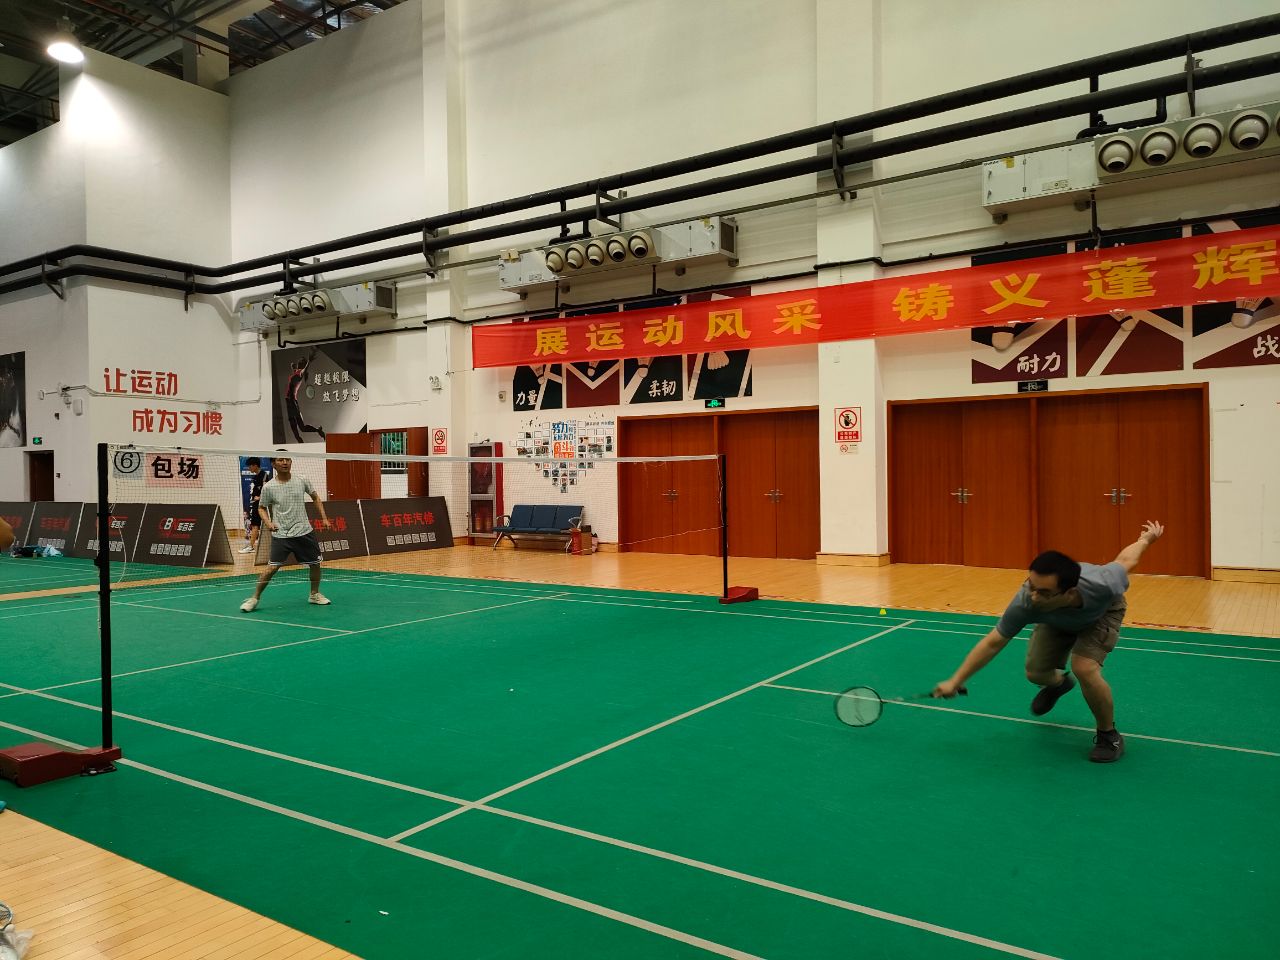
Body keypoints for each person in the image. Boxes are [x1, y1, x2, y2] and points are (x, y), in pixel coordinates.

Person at [932, 521, 1165, 763]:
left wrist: (1146, 539)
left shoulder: (1104, 583)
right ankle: (1058, 685)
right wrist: (955, 681)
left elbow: (1127, 560)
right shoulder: (1028, 601)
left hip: (1101, 614)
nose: (1033, 596)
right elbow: (993, 642)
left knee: (1084, 667)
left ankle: (1109, 735)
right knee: (1035, 673)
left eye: (1043, 592)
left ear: (1070, 592)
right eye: (1031, 586)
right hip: (1054, 617)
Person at [240, 454, 331, 612]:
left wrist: (324, 518)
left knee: (315, 564)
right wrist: (268, 523)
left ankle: (314, 594)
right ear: (273, 464)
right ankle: (254, 598)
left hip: (304, 531)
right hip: (281, 534)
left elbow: (315, 497)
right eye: (280, 460)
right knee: (271, 568)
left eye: (287, 459)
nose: (285, 462)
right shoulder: (269, 487)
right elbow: (261, 507)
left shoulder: (301, 480)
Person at [285, 350, 326, 444]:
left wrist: (309, 361)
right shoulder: (296, 372)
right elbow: (294, 375)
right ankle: (300, 440)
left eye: (301, 361)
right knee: (293, 424)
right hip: (289, 401)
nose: (299, 361)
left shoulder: (301, 373)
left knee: (301, 427)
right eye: (299, 360)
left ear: (302, 365)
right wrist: (293, 367)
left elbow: (304, 369)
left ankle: (317, 431)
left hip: (292, 402)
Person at [239, 457, 269, 554]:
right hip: (256, 504)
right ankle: (251, 546)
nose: (249, 468)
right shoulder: (255, 477)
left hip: (262, 505)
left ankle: (251, 546)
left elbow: (267, 490)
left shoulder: (264, 475)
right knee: (255, 525)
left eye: (250, 466)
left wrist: (260, 498)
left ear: (255, 465)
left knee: (257, 525)